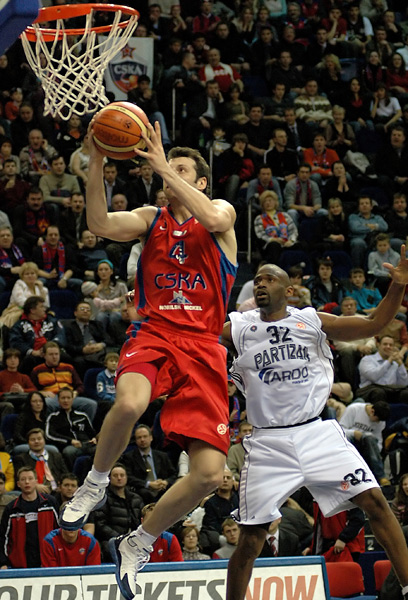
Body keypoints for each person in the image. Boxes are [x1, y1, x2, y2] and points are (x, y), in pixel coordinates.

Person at [60, 120, 237, 600]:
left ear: (200, 181)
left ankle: (139, 541)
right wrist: (97, 161)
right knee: (128, 403)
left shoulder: (219, 212)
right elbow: (99, 224)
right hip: (155, 332)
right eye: (166, 168)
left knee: (208, 475)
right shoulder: (149, 217)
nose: (167, 174)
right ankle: (95, 482)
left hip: (202, 346)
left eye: (181, 169)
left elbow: (217, 220)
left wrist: (162, 164)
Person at [222, 259, 408, 600]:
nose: (260, 284)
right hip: (268, 441)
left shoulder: (310, 319)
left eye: (269, 279)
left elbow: (374, 323)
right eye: (257, 280)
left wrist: (397, 285)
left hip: (316, 433)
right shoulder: (240, 325)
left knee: (375, 501)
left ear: (289, 290)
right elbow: (194, 333)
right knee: (251, 538)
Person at [0, 466, 58, 568]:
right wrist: (4, 562)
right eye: (23, 479)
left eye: (30, 479)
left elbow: (60, 531)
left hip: (49, 562)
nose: (27, 482)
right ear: (18, 484)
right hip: (19, 565)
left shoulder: (50, 503)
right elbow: (3, 538)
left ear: (36, 482)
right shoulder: (11, 509)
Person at [93, 463, 143, 563]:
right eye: (115, 475)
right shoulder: (103, 498)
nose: (119, 478)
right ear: (109, 478)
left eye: (122, 475)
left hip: (134, 541)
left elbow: (143, 521)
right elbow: (101, 525)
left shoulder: (136, 498)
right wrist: (121, 539)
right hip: (112, 541)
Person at [121, 424, 178, 503]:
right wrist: (149, 484)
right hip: (142, 491)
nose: (142, 440)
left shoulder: (162, 456)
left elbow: (174, 475)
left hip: (162, 489)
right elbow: (129, 477)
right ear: (135, 440)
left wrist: (165, 482)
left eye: (145, 436)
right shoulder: (129, 457)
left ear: (151, 438)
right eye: (139, 437)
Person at [339, 401, 391, 486]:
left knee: (369, 438)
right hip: (349, 439)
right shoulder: (354, 409)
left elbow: (378, 441)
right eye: (377, 420)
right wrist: (354, 433)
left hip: (367, 444)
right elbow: (340, 430)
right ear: (372, 411)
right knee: (365, 438)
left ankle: (381, 477)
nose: (377, 423)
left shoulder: (381, 421)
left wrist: (376, 451)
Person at [45, 387, 97, 469]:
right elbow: (49, 435)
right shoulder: (53, 417)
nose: (66, 401)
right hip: (70, 446)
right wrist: (70, 441)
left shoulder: (82, 416)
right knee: (68, 452)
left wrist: (94, 438)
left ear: (72, 399)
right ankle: (74, 476)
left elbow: (91, 432)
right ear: (58, 400)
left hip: (87, 444)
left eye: (68, 398)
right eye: (63, 398)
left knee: (102, 448)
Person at [357, 335, 408, 403]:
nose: (388, 347)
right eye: (385, 344)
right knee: (379, 392)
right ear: (378, 345)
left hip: (391, 390)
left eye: (391, 345)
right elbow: (374, 377)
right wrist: (389, 361)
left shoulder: (395, 363)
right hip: (370, 390)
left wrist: (400, 364)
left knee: (406, 393)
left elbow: (404, 384)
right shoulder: (367, 360)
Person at [13, 428, 67, 493]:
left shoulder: (56, 456)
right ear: (28, 442)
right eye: (33, 440)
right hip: (34, 492)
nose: (36, 441)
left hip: (57, 492)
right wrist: (35, 486)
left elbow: (66, 474)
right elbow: (19, 480)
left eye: (39, 439)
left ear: (44, 440)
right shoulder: (21, 459)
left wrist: (62, 486)